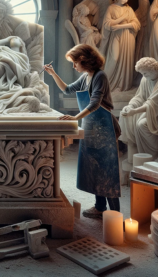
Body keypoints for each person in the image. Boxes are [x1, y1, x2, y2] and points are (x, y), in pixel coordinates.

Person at [44, 44, 121, 218]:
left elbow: (94, 103)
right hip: (91, 125)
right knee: (94, 168)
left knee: (107, 170)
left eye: (74, 63)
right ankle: (100, 208)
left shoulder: (100, 76)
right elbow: (67, 89)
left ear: (83, 60)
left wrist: (75, 118)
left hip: (104, 127)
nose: (74, 66)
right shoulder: (87, 76)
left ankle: (115, 214)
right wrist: (53, 74)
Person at [98, 0, 141, 92]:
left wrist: (120, 26)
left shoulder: (129, 9)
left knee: (126, 61)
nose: (126, 0)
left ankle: (121, 86)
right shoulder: (111, 8)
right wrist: (121, 19)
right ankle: (105, 84)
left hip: (128, 37)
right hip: (116, 36)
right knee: (114, 58)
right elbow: (107, 25)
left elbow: (137, 24)